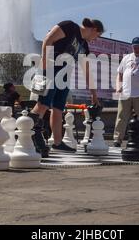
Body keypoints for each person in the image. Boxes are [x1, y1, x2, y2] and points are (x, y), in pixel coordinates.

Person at [30, 18, 104, 153]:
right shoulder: (69, 26)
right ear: (93, 29)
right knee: (42, 104)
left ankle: (57, 142)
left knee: (58, 108)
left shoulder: (84, 47)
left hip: (64, 77)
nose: (96, 39)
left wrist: (94, 94)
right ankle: (30, 134)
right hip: (48, 69)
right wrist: (45, 65)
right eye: (97, 36)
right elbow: (48, 39)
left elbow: (87, 71)